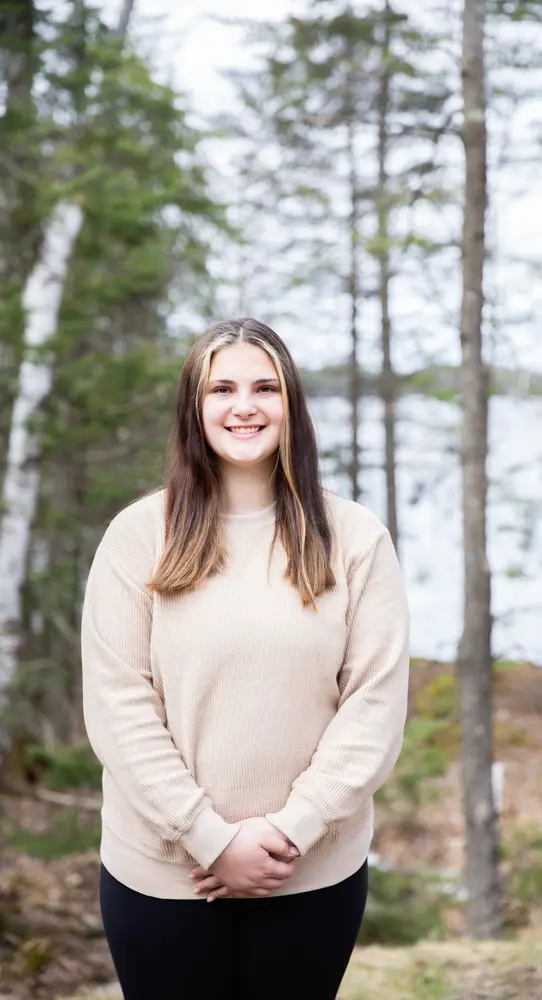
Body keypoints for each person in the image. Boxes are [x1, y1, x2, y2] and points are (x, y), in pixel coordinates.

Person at [81, 317, 410, 1000]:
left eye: (265, 388)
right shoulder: (137, 536)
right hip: (163, 879)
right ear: (193, 408)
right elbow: (119, 708)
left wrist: (291, 831)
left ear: (290, 404)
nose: (244, 406)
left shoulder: (353, 537)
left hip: (312, 874)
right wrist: (208, 838)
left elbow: (374, 705)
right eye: (221, 388)